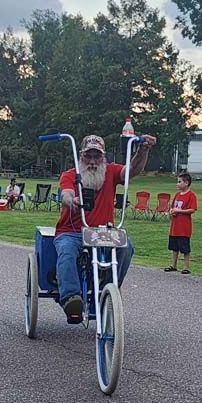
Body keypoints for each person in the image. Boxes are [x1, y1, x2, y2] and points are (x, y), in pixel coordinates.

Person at [54, 133, 156, 323]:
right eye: (88, 156)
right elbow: (66, 193)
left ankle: (108, 292)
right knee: (66, 251)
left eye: (97, 156)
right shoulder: (70, 175)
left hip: (103, 231)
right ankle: (71, 299)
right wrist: (72, 201)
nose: (92, 161)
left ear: (103, 157)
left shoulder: (111, 171)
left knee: (126, 247)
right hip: (72, 231)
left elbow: (131, 171)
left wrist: (143, 150)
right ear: (81, 156)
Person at [164, 173, 197, 274]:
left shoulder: (191, 195)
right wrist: (171, 211)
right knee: (174, 247)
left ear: (186, 183)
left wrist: (179, 211)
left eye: (179, 182)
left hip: (184, 228)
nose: (177, 184)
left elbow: (192, 209)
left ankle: (186, 267)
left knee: (185, 248)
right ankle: (173, 265)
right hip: (175, 226)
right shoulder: (177, 195)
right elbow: (173, 206)